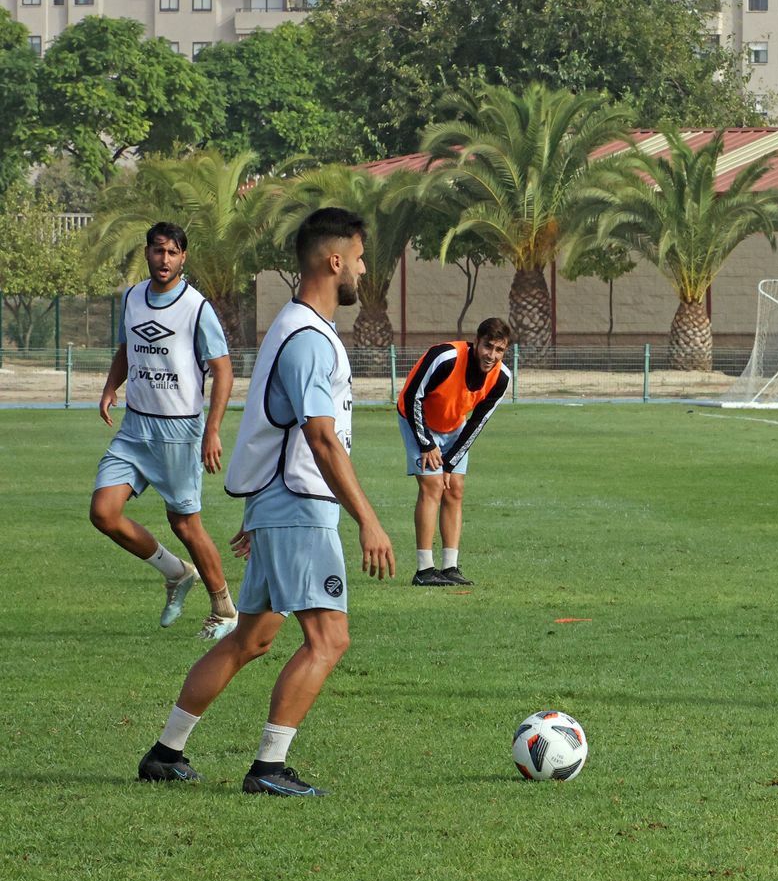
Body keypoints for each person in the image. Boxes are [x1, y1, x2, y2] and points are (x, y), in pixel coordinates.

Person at [137, 207, 395, 797]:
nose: (362, 268)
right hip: (299, 506)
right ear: (334, 261)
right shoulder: (307, 337)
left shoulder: (298, 327)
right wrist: (369, 522)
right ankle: (269, 769)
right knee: (329, 639)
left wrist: (264, 513)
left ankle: (165, 752)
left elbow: (277, 430)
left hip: (282, 507)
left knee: (250, 638)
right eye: (358, 258)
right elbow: (320, 436)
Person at [91, 222, 238, 640]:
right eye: (158, 251)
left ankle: (225, 609)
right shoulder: (133, 297)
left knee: (185, 524)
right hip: (135, 427)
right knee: (103, 512)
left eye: (173, 252)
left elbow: (223, 371)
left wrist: (212, 430)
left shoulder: (196, 307)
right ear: (147, 253)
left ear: (183, 257)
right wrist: (109, 387)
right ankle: (176, 572)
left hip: (179, 432)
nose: (164, 259)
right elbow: (127, 348)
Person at [396, 318, 513, 587]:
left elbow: (477, 422)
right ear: (476, 341)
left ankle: (450, 567)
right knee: (432, 485)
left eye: (499, 350)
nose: (491, 355)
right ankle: (424, 570)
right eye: (488, 346)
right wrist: (426, 443)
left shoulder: (502, 377)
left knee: (455, 487)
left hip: (454, 425)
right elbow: (412, 394)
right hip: (417, 420)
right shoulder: (446, 356)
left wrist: (451, 462)